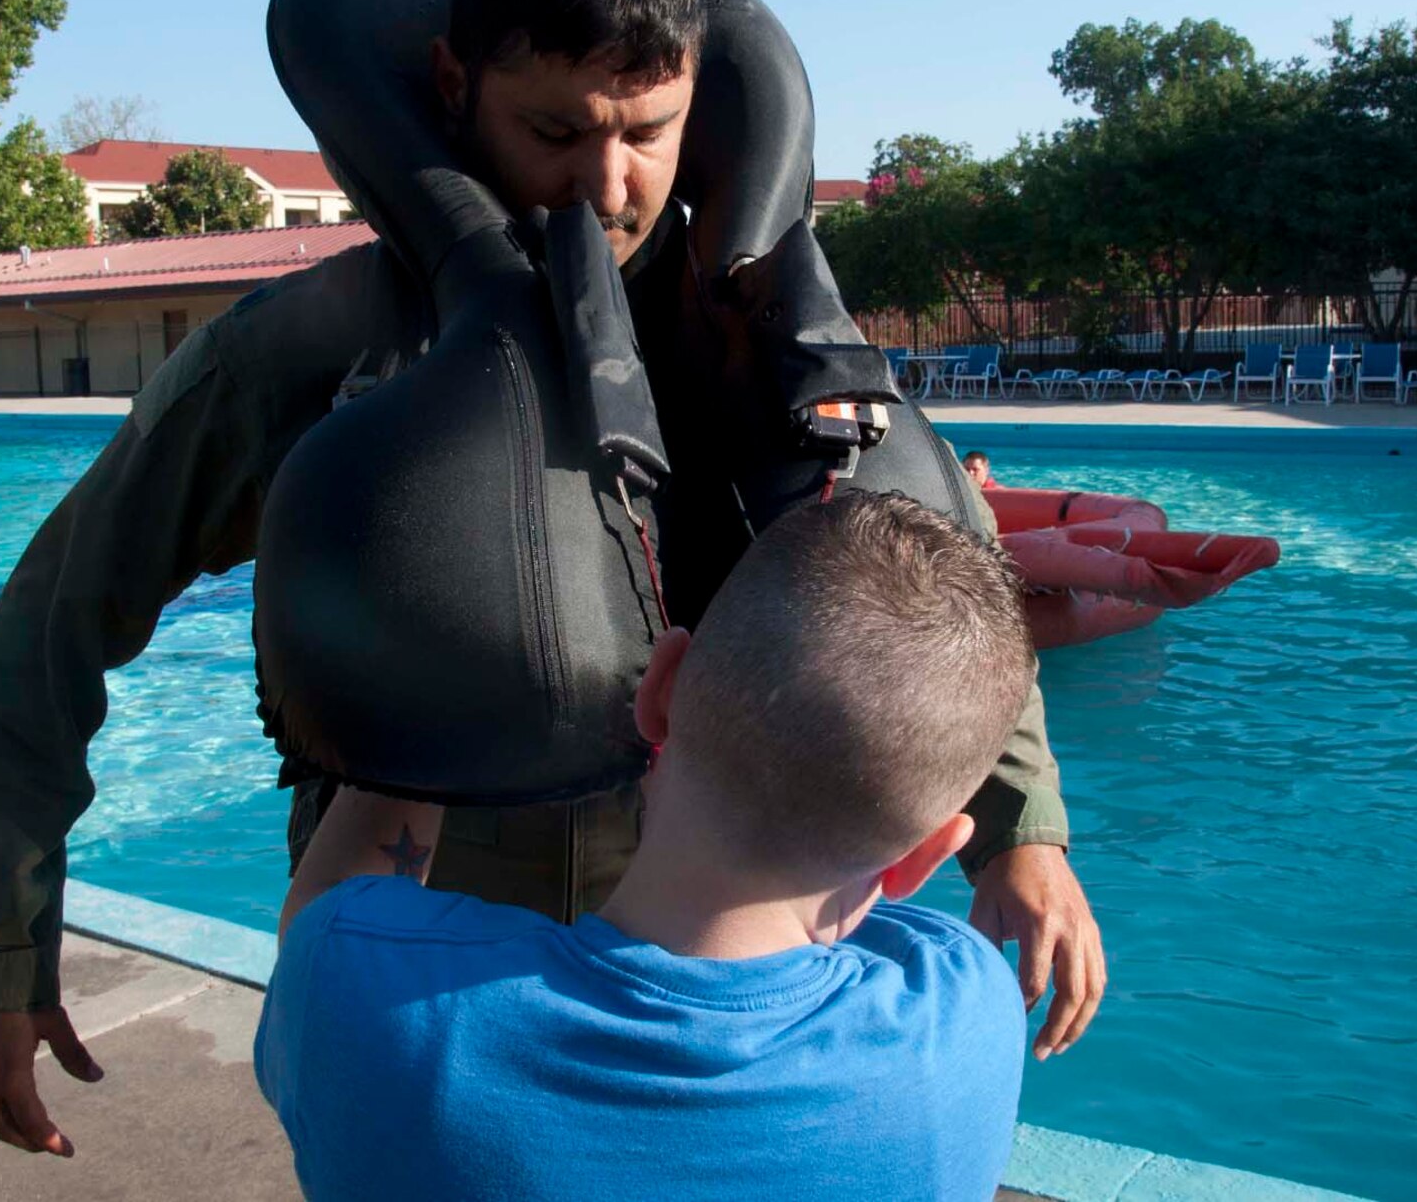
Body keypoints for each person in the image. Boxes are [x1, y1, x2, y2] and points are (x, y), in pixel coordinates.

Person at [0, 0, 1101, 1161]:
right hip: (423, 928)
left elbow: (923, 571)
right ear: (449, 81)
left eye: (647, 131)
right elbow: (54, 624)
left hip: (727, 929)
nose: (607, 180)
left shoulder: (768, 342)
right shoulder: (304, 355)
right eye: (553, 129)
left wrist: (1022, 827)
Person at [259, 492, 1031, 1200]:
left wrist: (449, 667)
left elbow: (332, 910)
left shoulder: (359, 1002)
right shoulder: (968, 1029)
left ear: (658, 689)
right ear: (925, 856)